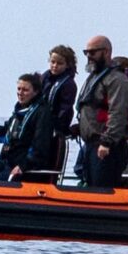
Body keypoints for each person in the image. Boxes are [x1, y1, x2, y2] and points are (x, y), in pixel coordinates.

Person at [74, 35, 128, 187]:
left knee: (102, 188)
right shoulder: (94, 77)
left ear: (106, 52)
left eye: (93, 52)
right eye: (86, 52)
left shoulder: (117, 80)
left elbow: (118, 113)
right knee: (89, 186)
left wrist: (107, 142)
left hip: (106, 147)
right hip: (90, 145)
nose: (89, 56)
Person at [0, 73, 45, 181]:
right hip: (6, 161)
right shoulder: (18, 113)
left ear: (35, 92)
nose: (20, 93)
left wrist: (23, 165)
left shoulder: (41, 113)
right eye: (19, 89)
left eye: (25, 90)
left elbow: (40, 146)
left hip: (21, 165)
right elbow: (5, 131)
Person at [33, 45, 78, 179]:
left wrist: (57, 127)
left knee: (48, 161)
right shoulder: (44, 78)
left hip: (55, 127)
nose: (55, 66)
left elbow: (65, 108)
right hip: (39, 125)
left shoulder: (68, 84)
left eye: (59, 63)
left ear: (67, 65)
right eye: (52, 62)